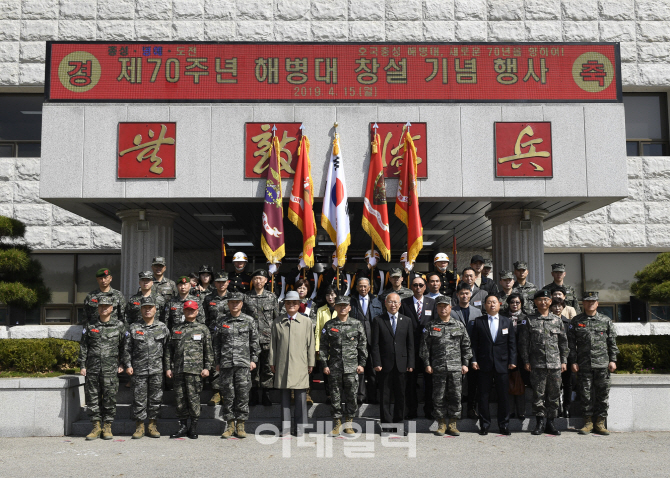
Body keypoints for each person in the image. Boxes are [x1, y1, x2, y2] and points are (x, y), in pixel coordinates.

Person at [420, 295, 472, 436]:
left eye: (445, 306)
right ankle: (441, 423)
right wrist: (427, 364)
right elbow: (424, 348)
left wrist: (465, 363)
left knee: (455, 395)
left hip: (456, 367)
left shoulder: (459, 325)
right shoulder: (431, 326)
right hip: (438, 367)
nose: (443, 309)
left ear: (450, 307)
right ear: (436, 308)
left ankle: (453, 423)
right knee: (438, 395)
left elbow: (466, 346)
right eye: (440, 306)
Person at [569, 291, 619, 436]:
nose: (590, 304)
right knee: (585, 394)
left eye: (593, 301)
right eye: (587, 301)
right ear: (583, 303)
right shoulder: (576, 321)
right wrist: (573, 361)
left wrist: (613, 360)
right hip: (584, 365)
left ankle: (600, 423)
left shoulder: (606, 320)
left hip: (602, 364)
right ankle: (588, 422)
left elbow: (612, 342)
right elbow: (571, 345)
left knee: (602, 395)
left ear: (597, 303)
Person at [519, 289, 568, 436]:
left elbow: (563, 343)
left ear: (550, 301)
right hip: (537, 364)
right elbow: (523, 343)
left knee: (554, 395)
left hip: (555, 365)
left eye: (546, 299)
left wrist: (564, 361)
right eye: (540, 300)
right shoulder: (529, 320)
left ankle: (551, 423)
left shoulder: (557, 320)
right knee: (538, 394)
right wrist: (526, 361)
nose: (543, 302)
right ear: (535, 302)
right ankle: (539, 423)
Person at [79, 296, 127, 440]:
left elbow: (125, 346)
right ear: (97, 308)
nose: (104, 308)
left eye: (107, 306)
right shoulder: (90, 326)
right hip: (93, 368)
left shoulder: (119, 326)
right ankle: (95, 427)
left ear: (112, 308)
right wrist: (82, 365)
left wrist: (122, 363)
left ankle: (107, 426)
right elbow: (84, 346)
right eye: (101, 306)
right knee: (93, 398)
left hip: (110, 369)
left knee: (109, 398)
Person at [269, 290, 315, 437]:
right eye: (288, 303)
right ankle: (286, 428)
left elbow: (311, 344)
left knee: (301, 398)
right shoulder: (277, 322)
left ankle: (300, 428)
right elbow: (273, 345)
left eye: (294, 303)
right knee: (284, 398)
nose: (291, 305)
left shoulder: (306, 321)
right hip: (282, 363)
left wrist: (311, 362)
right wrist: (272, 361)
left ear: (299, 304)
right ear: (285, 305)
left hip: (300, 363)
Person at [319, 296, 368, 436]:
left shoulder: (357, 324)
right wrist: (324, 364)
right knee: (335, 396)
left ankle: (349, 423)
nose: (342, 308)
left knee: (351, 396)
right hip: (334, 367)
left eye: (345, 305)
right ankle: (337, 424)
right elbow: (323, 347)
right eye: (339, 305)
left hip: (352, 368)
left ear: (349, 308)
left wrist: (362, 364)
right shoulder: (329, 325)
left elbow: (362, 346)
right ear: (335, 307)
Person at [214, 292, 260, 439]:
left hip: (243, 363)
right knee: (227, 394)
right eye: (232, 302)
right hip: (226, 363)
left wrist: (253, 359)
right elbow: (216, 343)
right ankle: (229, 424)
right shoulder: (221, 321)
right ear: (228, 304)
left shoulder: (249, 321)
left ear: (242, 304)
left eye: (237, 302)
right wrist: (216, 362)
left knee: (242, 394)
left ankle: (241, 424)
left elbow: (255, 342)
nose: (234, 304)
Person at [123, 296, 169, 439]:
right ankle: (139, 426)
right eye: (144, 308)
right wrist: (128, 365)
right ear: (140, 309)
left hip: (157, 370)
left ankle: (152, 425)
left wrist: (167, 368)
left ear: (155, 309)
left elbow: (168, 350)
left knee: (156, 398)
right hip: (139, 370)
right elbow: (126, 349)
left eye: (150, 308)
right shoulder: (133, 327)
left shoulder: (162, 327)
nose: (147, 310)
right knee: (139, 398)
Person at [470, 294, 516, 436]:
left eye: (494, 302)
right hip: (484, 364)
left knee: (503, 396)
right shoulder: (478, 321)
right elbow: (474, 344)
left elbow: (512, 343)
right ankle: (484, 425)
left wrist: (512, 361)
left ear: (499, 304)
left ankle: (504, 425)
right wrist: (474, 360)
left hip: (502, 364)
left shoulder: (506, 321)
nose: (492, 305)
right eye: (489, 302)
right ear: (485, 305)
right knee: (483, 396)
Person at [166, 300, 213, 439]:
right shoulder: (176, 328)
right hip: (179, 370)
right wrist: (168, 368)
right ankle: (182, 427)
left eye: (193, 310)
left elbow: (208, 351)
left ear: (197, 311)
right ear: (183, 311)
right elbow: (169, 351)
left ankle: (193, 427)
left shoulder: (203, 329)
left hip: (195, 371)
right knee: (180, 400)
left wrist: (207, 367)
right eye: (187, 310)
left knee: (193, 400)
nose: (190, 312)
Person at [371, 293, 415, 436]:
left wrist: (410, 363)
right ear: (385, 303)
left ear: (400, 304)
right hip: (384, 365)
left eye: (396, 302)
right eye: (390, 302)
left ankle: (399, 425)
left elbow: (410, 345)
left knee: (400, 396)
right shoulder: (378, 320)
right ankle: (386, 427)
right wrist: (376, 362)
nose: (393, 304)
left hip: (402, 364)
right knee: (385, 396)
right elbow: (375, 344)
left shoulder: (407, 321)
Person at [401, 275, 436, 419]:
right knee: (411, 383)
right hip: (411, 349)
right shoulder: (404, 303)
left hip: (428, 350)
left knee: (430, 382)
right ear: (411, 287)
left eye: (421, 285)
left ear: (425, 286)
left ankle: (429, 410)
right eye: (415, 285)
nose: (418, 288)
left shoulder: (432, 303)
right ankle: (412, 410)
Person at [243, 269, 279, 407]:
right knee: (252, 368)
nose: (258, 281)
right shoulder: (246, 297)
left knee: (266, 367)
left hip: (267, 339)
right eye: (255, 278)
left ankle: (266, 394)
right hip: (250, 339)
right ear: (252, 281)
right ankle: (253, 393)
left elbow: (276, 319)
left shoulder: (271, 297)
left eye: (261, 278)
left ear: (266, 281)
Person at [451, 281, 483, 419]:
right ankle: (456, 409)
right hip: (455, 351)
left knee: (473, 381)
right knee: (456, 382)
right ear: (457, 295)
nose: (464, 296)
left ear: (470, 294)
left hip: (473, 351)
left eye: (467, 293)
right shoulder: (452, 312)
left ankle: (471, 408)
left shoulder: (477, 312)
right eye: (462, 293)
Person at [349, 277, 383, 404]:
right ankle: (360, 396)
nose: (363, 289)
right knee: (359, 369)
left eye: (365, 286)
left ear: (369, 287)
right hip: (356, 341)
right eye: (360, 286)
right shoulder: (351, 301)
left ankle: (373, 396)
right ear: (357, 287)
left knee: (374, 369)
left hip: (373, 340)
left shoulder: (377, 301)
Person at [202, 271, 231, 406]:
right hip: (213, 335)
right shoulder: (208, 298)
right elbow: (205, 318)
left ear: (228, 282)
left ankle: (227, 392)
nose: (221, 284)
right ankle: (216, 392)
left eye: (223, 282)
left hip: (230, 335)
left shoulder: (234, 298)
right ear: (215, 283)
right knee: (214, 363)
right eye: (218, 282)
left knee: (228, 362)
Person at [550, 297, 574, 418]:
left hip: (566, 358)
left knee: (567, 384)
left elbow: (570, 342)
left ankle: (567, 408)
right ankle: (557, 408)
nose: (557, 308)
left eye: (560, 305)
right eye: (555, 305)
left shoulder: (568, 323)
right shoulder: (547, 320)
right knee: (555, 385)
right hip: (552, 358)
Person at [506, 293, 528, 420]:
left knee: (520, 383)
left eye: (517, 302)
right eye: (512, 302)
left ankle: (521, 411)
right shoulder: (503, 317)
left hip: (522, 355)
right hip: (507, 354)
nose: (515, 304)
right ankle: (510, 411)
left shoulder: (526, 318)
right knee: (509, 382)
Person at [315, 286, 338, 403]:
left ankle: (337, 395)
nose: (330, 297)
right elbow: (318, 329)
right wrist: (317, 346)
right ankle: (329, 396)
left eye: (333, 294)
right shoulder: (321, 310)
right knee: (326, 372)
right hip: (325, 346)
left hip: (338, 347)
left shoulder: (341, 308)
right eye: (328, 295)